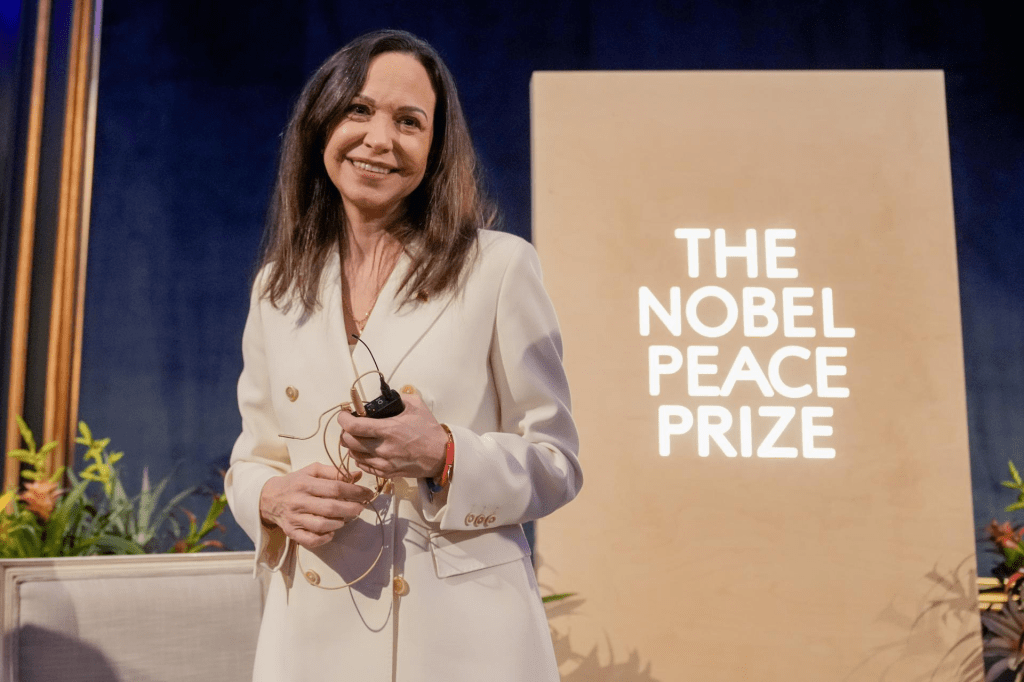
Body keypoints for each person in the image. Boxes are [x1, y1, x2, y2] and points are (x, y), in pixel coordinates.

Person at [224, 29, 582, 682]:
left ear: (436, 147)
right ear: (321, 123)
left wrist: (445, 453)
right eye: (358, 110)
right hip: (313, 637)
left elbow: (556, 462)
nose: (379, 139)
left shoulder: (498, 268)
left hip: (465, 642)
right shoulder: (277, 287)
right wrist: (272, 498)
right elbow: (254, 458)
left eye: (409, 121)